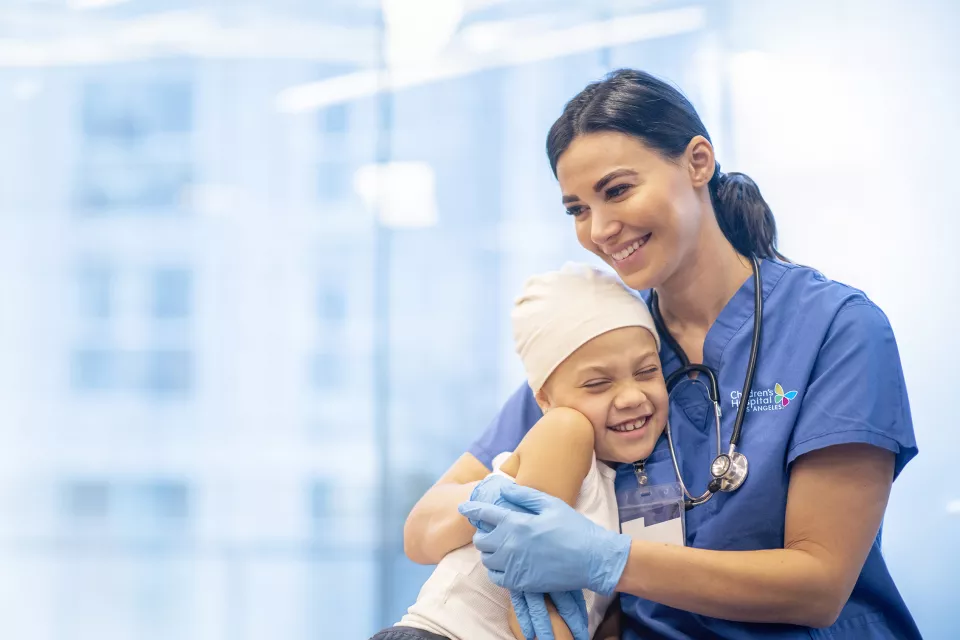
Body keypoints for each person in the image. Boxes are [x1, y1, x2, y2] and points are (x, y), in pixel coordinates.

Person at [408, 69, 921, 639]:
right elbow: (426, 526)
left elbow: (818, 583)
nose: (600, 229)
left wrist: (606, 557)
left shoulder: (835, 329)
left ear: (697, 162)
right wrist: (500, 500)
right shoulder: (605, 343)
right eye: (577, 209)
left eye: (618, 190)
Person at [373, 263, 668, 640]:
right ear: (543, 399)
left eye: (647, 372)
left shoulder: (616, 486)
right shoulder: (566, 432)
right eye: (597, 383)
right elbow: (531, 609)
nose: (631, 397)